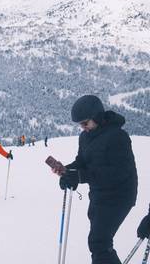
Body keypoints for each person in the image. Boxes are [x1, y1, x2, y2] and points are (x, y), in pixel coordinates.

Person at [53, 95, 138, 264]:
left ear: (97, 117)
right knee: (99, 240)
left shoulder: (118, 137)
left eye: (85, 123)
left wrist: (80, 176)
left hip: (120, 195)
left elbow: (117, 172)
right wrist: (68, 171)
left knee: (99, 241)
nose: (83, 128)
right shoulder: (85, 137)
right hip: (99, 192)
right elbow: (82, 162)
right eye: (80, 125)